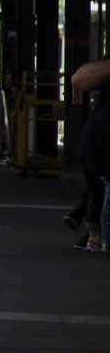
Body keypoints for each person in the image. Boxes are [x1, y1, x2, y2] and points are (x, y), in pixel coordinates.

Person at [70, 57, 110, 255]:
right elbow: (78, 80)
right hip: (100, 150)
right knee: (99, 193)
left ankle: (91, 233)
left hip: (98, 148)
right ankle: (93, 236)